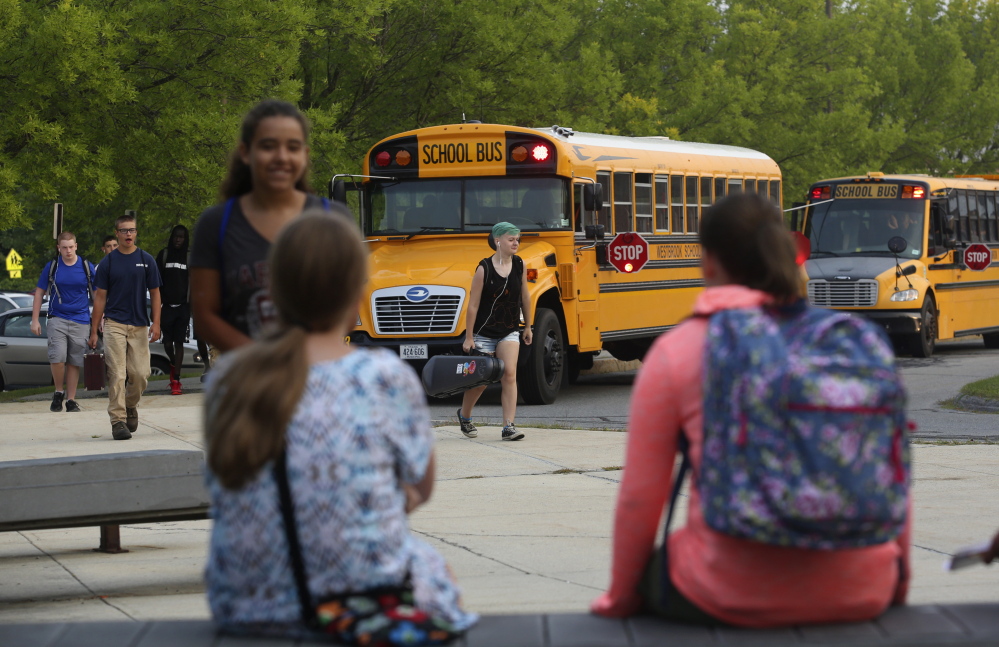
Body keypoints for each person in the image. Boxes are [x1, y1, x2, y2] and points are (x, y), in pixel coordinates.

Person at [591, 193, 911, 627]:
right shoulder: (852, 340)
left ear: (708, 262)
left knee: (665, 565)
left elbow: (640, 499)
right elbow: (891, 472)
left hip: (728, 592)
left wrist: (620, 597)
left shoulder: (681, 349)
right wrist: (896, 582)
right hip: (864, 588)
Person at [203, 209, 476, 639]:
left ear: (273, 291)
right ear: (356, 293)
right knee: (434, 569)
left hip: (244, 605)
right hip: (353, 603)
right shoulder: (385, 377)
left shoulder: (229, 378)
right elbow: (420, 489)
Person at [191, 99, 330, 353]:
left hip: (319, 378)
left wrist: (308, 357)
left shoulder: (332, 218)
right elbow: (204, 315)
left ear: (305, 155)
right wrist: (261, 360)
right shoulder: (215, 224)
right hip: (246, 378)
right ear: (245, 152)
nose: (281, 157)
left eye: (293, 147)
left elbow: (349, 302)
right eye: (268, 146)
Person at [89, 214, 162, 441]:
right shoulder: (108, 263)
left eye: (132, 230)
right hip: (114, 324)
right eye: (124, 231)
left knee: (141, 374)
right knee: (118, 373)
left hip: (139, 324)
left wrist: (156, 322)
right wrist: (94, 331)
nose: (128, 234)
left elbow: (156, 293)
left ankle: (131, 405)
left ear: (136, 233)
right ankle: (118, 421)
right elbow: (100, 297)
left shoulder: (146, 259)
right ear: (117, 233)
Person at [457, 222, 533, 441]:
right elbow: (473, 305)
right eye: (511, 239)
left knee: (509, 374)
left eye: (518, 239)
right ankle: (465, 416)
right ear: (498, 241)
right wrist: (469, 336)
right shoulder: (484, 268)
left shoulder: (519, 264)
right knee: (481, 381)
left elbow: (525, 297)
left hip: (509, 330)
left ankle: (508, 426)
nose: (516, 243)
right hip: (483, 332)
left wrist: (527, 325)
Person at [30, 232, 95, 413]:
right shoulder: (53, 267)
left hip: (81, 319)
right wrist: (35, 319)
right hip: (57, 317)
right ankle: (59, 391)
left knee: (74, 361)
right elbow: (39, 292)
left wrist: (99, 320)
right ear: (59, 248)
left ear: (76, 246)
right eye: (64, 247)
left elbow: (98, 294)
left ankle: (71, 400)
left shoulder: (86, 267)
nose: (68, 251)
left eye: (71, 247)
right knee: (57, 357)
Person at [156, 225, 191, 395]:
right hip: (166, 307)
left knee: (179, 343)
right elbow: (155, 283)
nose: (178, 240)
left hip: (183, 307)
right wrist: (156, 307)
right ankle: (172, 361)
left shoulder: (190, 257)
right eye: (176, 236)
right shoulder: (164, 255)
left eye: (181, 237)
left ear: (185, 239)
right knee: (168, 343)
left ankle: (176, 380)